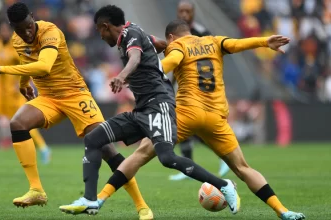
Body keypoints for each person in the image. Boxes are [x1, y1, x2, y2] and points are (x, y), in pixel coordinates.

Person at [94, 20, 306, 220]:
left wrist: (138, 73)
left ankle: (100, 198)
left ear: (171, 37)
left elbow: (170, 62)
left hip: (186, 114)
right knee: (243, 168)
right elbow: (238, 43)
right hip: (216, 118)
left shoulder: (177, 46)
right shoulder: (213, 41)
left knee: (141, 154)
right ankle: (282, 211)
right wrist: (264, 41)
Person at [59, 5, 240, 217]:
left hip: (159, 105)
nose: (99, 36)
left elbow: (135, 57)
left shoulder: (131, 34)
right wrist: (164, 54)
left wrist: (123, 75)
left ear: (105, 26)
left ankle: (223, 185)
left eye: (99, 30)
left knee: (167, 158)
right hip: (141, 109)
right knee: (93, 139)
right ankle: (89, 200)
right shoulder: (137, 34)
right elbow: (161, 44)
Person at [0, 3, 153, 220]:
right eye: (19, 29)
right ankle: (36, 190)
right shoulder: (17, 40)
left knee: (106, 149)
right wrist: (23, 83)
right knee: (17, 123)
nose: (26, 33)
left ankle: (142, 206)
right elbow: (27, 60)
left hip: (75, 95)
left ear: (33, 18)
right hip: (48, 97)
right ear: (12, 27)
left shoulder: (50, 32)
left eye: (28, 27)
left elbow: (44, 66)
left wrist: (2, 69)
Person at [169, 0, 230, 181]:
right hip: (183, 87)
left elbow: (214, 59)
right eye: (181, 11)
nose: (184, 15)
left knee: (198, 128)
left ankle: (223, 155)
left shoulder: (203, 33)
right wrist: (169, 85)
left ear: (193, 13)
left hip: (201, 89)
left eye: (188, 11)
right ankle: (188, 168)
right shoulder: (175, 34)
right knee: (183, 126)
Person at [0, 21, 51, 166]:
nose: (4, 32)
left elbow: (26, 65)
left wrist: (25, 84)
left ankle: (44, 149)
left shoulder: (17, 44)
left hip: (15, 91)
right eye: (2, 30)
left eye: (6, 30)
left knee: (23, 123)